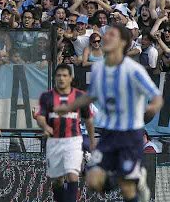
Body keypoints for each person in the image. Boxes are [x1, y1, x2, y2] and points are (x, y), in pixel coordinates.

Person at [54, 24, 163, 202]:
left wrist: (150, 110)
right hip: (108, 136)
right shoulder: (99, 69)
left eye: (111, 35)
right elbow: (91, 96)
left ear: (122, 42)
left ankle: (133, 181)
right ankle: (127, 177)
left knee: (128, 190)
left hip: (129, 136)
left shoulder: (133, 69)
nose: (105, 38)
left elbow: (157, 97)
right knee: (92, 179)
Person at [34, 64, 95, 202]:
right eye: (59, 75)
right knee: (57, 180)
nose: (61, 78)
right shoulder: (47, 96)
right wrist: (45, 126)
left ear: (70, 78)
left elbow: (89, 120)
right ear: (55, 78)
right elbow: (40, 116)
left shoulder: (80, 96)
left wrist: (92, 141)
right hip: (54, 141)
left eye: (64, 75)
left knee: (72, 175)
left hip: (73, 141)